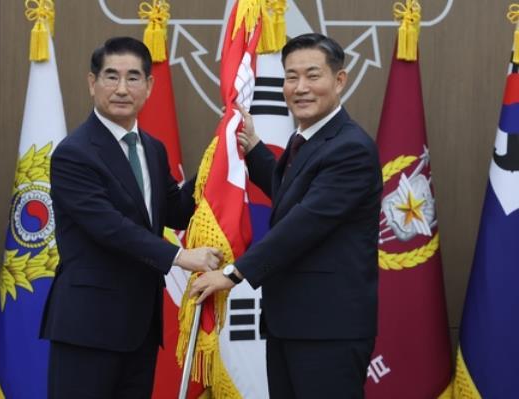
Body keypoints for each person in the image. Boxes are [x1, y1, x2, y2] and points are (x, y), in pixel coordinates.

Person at [190, 33, 383, 398]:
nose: (300, 87)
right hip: (290, 322)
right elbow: (292, 193)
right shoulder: (309, 140)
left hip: (329, 329)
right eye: (291, 77)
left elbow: (305, 222)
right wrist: (255, 147)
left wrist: (232, 274)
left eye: (313, 75)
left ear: (339, 81)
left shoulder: (351, 148)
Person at [40, 36, 222, 398]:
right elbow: (108, 227)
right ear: (93, 84)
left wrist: (218, 157)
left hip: (139, 327)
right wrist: (180, 257)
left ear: (149, 86)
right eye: (111, 77)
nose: (122, 88)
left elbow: (177, 210)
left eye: (133, 78)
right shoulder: (73, 153)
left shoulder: (152, 149)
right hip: (88, 328)